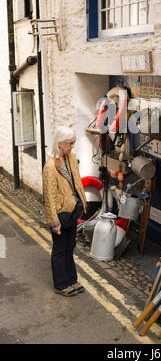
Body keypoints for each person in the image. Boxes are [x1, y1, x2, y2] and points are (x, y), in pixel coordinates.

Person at [43, 126, 87, 297]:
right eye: (70, 143)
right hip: (60, 215)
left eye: (73, 143)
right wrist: (53, 222)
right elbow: (49, 197)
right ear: (60, 144)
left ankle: (72, 280)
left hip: (72, 212)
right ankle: (61, 285)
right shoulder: (50, 167)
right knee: (60, 250)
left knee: (70, 247)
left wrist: (82, 204)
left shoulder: (71, 158)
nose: (72, 146)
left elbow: (77, 183)